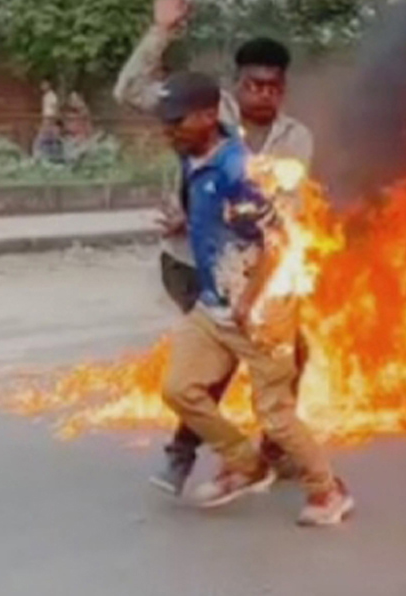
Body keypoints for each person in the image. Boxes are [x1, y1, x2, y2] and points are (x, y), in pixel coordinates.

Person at [114, 0, 316, 494]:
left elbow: (286, 209)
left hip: (255, 270)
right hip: (190, 262)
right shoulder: (203, 107)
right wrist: (161, 30)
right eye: (254, 84)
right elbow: (130, 91)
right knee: (215, 363)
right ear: (236, 84)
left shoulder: (296, 138)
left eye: (274, 87)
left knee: (295, 353)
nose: (263, 94)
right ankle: (184, 455)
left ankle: (273, 450)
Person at [151, 71, 352, 527]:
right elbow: (214, 218)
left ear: (206, 117)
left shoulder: (238, 173)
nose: (167, 131)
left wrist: (247, 303)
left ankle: (328, 491)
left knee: (275, 416)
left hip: (260, 314)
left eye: (176, 121)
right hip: (213, 305)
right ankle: (245, 463)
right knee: (180, 389)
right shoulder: (192, 156)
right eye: (165, 122)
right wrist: (186, 222)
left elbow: (278, 240)